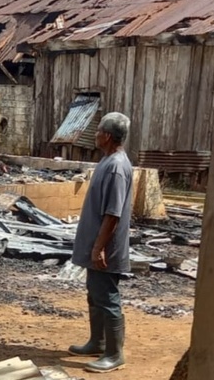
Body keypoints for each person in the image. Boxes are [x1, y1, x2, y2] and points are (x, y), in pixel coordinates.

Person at [68, 112, 133, 373]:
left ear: (106, 136)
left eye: (97, 131)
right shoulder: (108, 160)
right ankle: (98, 341)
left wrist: (98, 247)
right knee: (95, 295)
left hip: (106, 247)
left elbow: (113, 213)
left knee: (107, 297)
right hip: (97, 244)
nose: (95, 135)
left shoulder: (117, 166)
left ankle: (115, 354)